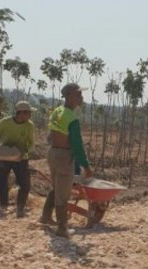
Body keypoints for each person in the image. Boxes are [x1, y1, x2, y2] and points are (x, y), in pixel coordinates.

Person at [40, 83, 93, 237]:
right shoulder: (72, 117)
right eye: (78, 94)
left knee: (57, 187)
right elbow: (77, 145)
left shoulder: (57, 111)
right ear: (68, 95)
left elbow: (50, 135)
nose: (81, 97)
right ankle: (62, 228)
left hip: (53, 153)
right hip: (64, 156)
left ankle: (45, 216)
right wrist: (86, 166)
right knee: (63, 193)